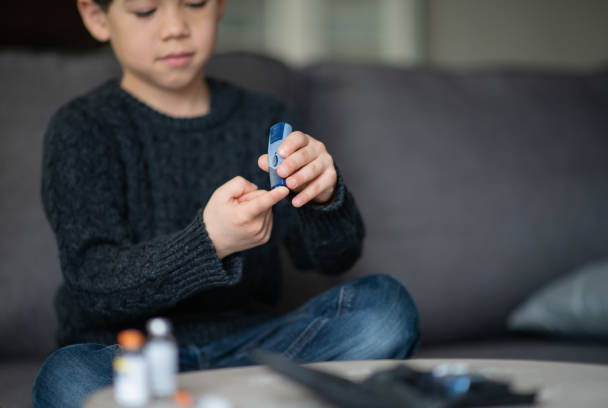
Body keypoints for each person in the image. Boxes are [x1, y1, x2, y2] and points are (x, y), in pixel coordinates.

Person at [32, 0, 420, 406]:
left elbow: (331, 260)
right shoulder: (80, 128)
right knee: (66, 377)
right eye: (146, 11)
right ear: (97, 18)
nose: (175, 27)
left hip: (253, 352)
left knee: (386, 310)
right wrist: (208, 243)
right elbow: (95, 283)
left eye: (195, 4)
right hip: (132, 358)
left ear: (219, 6)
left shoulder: (266, 117)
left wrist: (324, 197)